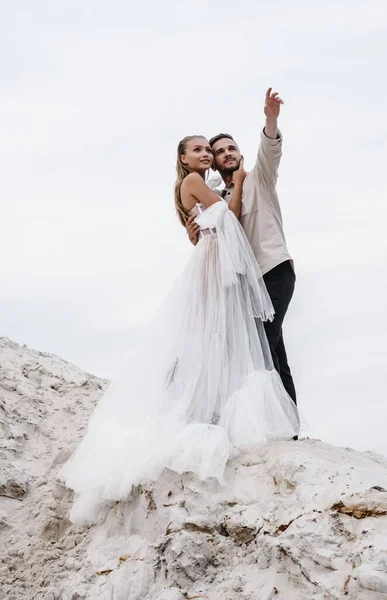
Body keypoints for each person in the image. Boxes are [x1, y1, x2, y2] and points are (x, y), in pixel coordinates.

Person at [60, 127, 300, 526]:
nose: (208, 154)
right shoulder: (196, 182)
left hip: (245, 272)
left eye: (214, 149)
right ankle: (213, 416)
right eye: (200, 149)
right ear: (184, 159)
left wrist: (217, 207)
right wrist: (231, 192)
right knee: (218, 342)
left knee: (239, 343)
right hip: (214, 275)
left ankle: (262, 420)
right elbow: (232, 219)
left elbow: (218, 222)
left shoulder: (213, 185)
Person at [186, 88, 298, 410]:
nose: (227, 153)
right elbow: (215, 234)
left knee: (260, 344)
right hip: (246, 284)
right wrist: (197, 234)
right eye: (219, 151)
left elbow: (270, 151)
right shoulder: (217, 199)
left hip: (273, 269)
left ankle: (272, 418)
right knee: (275, 351)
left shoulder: (258, 179)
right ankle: (291, 424)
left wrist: (271, 119)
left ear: (241, 154)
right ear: (215, 161)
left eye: (231, 148)